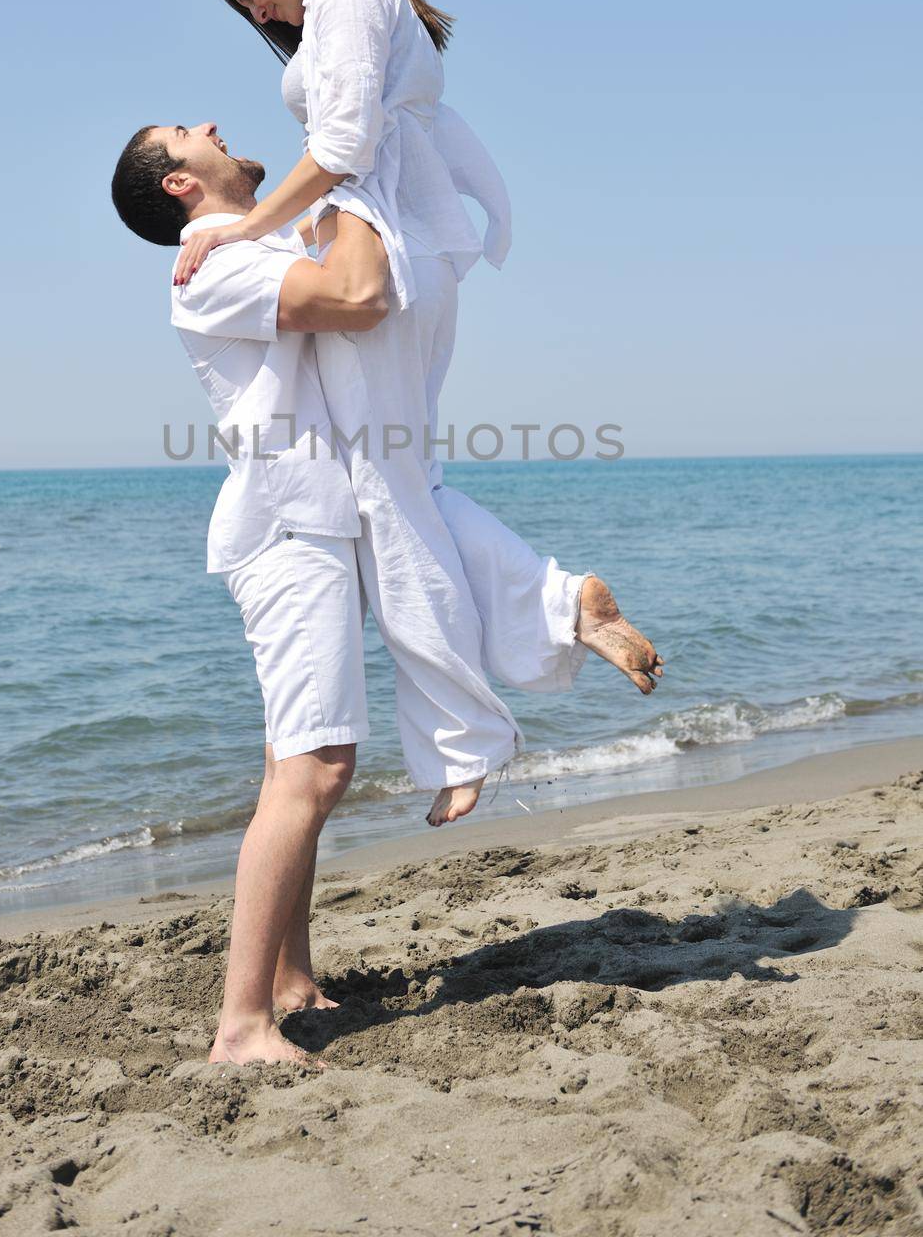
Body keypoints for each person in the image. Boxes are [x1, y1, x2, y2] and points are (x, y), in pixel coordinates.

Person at [111, 119, 662, 1066]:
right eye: (183, 133)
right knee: (316, 768)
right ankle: (241, 1027)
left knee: (296, 758)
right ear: (177, 189)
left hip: (335, 509)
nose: (209, 126)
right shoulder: (215, 268)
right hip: (290, 530)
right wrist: (352, 170)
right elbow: (358, 295)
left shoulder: (253, 241)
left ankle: (286, 980)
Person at [177, 0, 662, 822]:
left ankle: (460, 744)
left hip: (388, 249)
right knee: (410, 484)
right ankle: (562, 606)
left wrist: (250, 223)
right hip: (409, 248)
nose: (263, 19)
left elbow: (346, 145)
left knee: (382, 499)